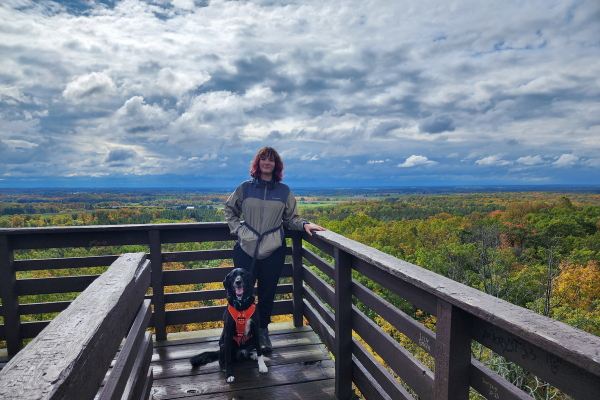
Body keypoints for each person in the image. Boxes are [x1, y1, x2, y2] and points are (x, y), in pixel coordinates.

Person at [224, 146, 325, 352]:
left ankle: (262, 333)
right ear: (258, 163)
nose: (267, 163)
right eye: (263, 159)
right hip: (246, 248)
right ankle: (237, 332)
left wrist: (304, 224)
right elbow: (230, 208)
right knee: (241, 292)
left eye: (271, 160)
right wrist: (237, 230)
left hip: (274, 250)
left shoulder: (284, 191)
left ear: (276, 165)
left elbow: (291, 218)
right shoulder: (245, 188)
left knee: (268, 293)